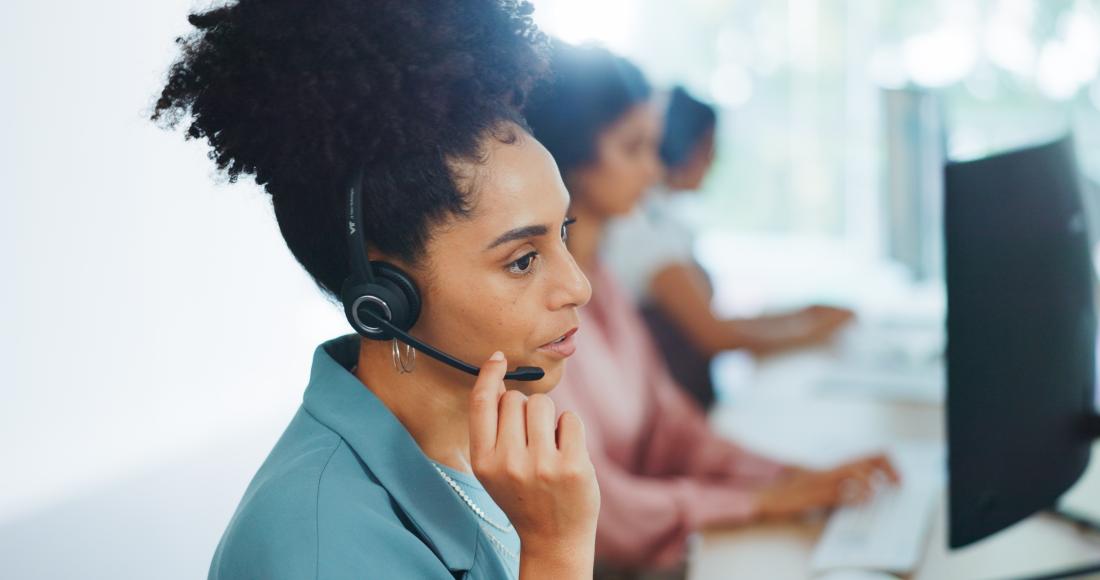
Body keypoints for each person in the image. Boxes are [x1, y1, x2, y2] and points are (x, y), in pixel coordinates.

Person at [152, 2, 600, 578]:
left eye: (564, 232)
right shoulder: (318, 547)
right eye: (522, 260)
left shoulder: (491, 460)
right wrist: (558, 549)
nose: (579, 286)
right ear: (384, 299)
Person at [525, 42, 897, 572]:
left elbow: (670, 423)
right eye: (633, 150)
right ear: (568, 161)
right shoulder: (534, 318)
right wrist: (757, 502)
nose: (655, 173)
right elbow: (605, 509)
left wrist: (786, 476)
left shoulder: (602, 278)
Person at [603, 86, 854, 409]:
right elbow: (716, 335)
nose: (714, 159)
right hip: (678, 406)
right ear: (681, 146)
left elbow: (715, 320)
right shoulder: (640, 232)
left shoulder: (661, 218)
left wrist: (802, 314)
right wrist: (814, 332)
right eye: (708, 147)